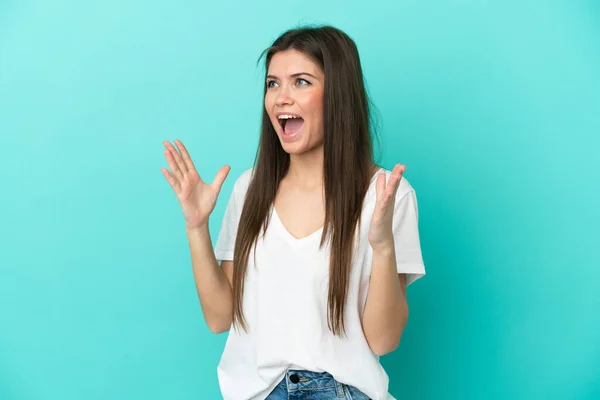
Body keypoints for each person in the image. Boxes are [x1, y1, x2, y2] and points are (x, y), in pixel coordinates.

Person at [161, 25, 426, 400]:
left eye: (300, 82)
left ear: (338, 94)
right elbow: (220, 317)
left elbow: (383, 339)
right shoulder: (250, 189)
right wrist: (196, 226)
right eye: (272, 84)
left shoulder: (385, 196)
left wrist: (382, 247)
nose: (281, 98)